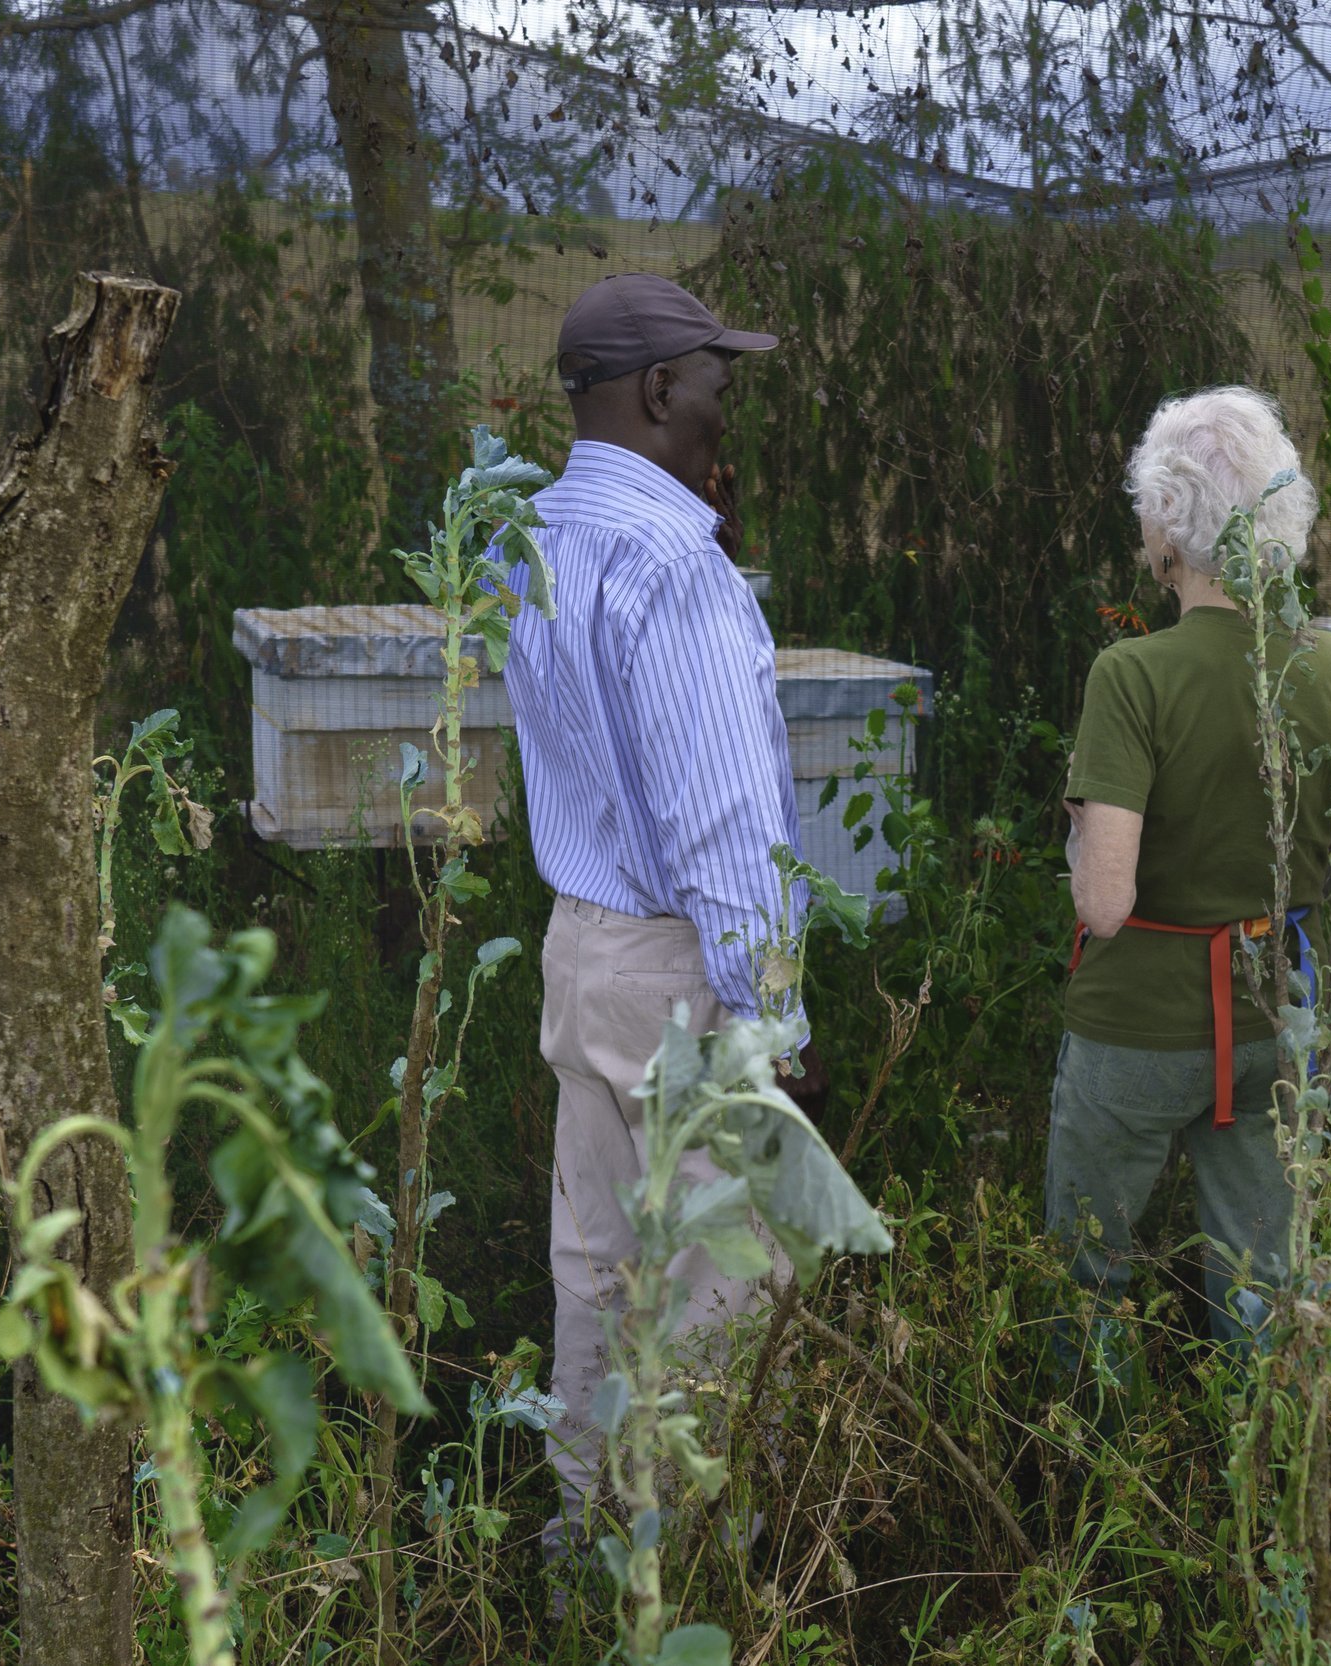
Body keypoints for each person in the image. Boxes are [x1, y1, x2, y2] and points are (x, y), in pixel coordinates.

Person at [499, 272, 822, 1550]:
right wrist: (773, 1015)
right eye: (714, 384)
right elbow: (725, 829)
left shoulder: (536, 534)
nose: (723, 410)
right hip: (688, 973)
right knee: (716, 1287)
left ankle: (585, 1555)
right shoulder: (672, 565)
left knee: (595, 1269)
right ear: (655, 390)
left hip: (583, 949)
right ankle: (695, 1577)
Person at [1052, 386, 1331, 1383]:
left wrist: (1075, 830)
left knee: (1086, 1273)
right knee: (1265, 1282)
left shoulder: (1133, 674)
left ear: (1167, 526)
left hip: (1137, 1029)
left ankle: (1088, 1484)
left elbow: (1103, 903)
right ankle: (1263, 1490)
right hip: (1276, 1014)